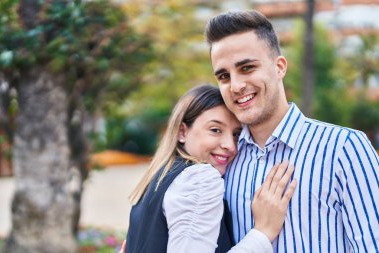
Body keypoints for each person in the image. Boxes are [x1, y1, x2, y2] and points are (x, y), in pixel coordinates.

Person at [205, 10, 379, 253]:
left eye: (247, 68)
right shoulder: (224, 161)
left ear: (279, 67)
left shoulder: (345, 149)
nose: (235, 86)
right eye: (224, 76)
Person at [122, 84, 297, 253]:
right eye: (215, 130)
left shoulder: (157, 178)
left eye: (236, 134)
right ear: (182, 132)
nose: (231, 145)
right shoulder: (200, 178)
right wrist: (262, 233)